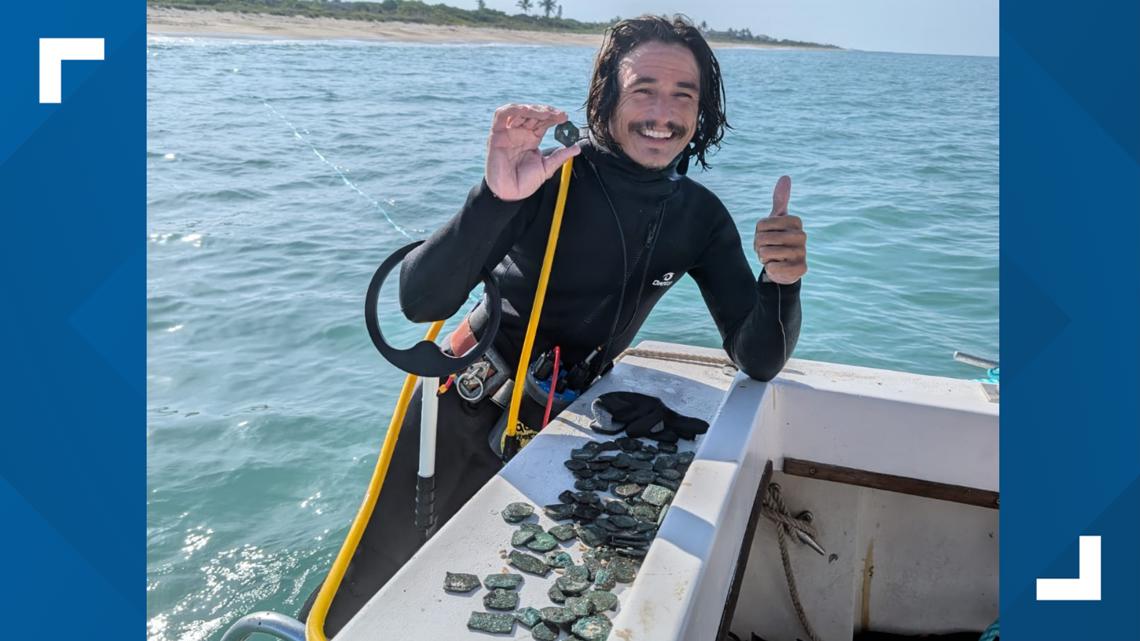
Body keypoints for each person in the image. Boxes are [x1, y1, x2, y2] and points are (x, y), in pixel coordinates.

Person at [300, 14, 807, 633]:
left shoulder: (699, 218)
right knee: (376, 586)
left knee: (501, 594)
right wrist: (495, 198)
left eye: (684, 95)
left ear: (702, 111)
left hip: (567, 416)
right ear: (607, 96)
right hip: (468, 406)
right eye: (643, 88)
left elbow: (757, 358)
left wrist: (780, 285)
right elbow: (419, 302)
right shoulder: (547, 177)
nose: (663, 112)